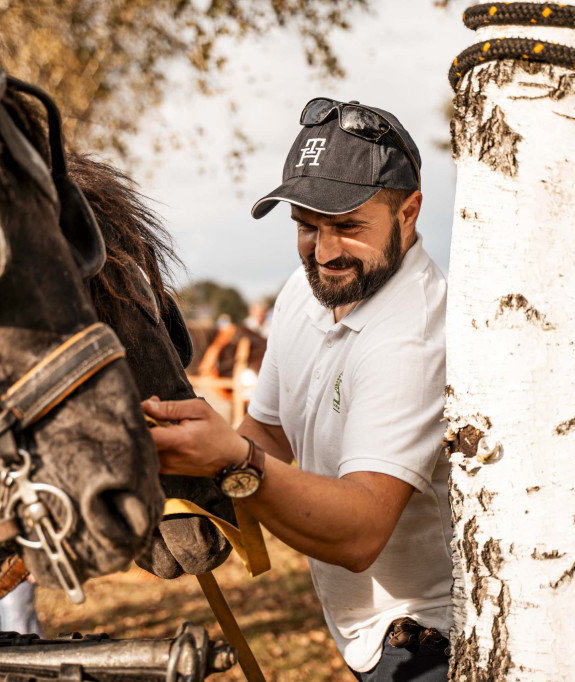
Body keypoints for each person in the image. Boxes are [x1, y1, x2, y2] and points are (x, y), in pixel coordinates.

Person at [142, 97, 452, 681]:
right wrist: (194, 491)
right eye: (306, 226)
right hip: (364, 629)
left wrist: (233, 460)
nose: (325, 251)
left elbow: (361, 533)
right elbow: (269, 430)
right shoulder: (303, 290)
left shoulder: (415, 331)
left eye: (348, 226)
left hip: (430, 643)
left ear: (409, 213)